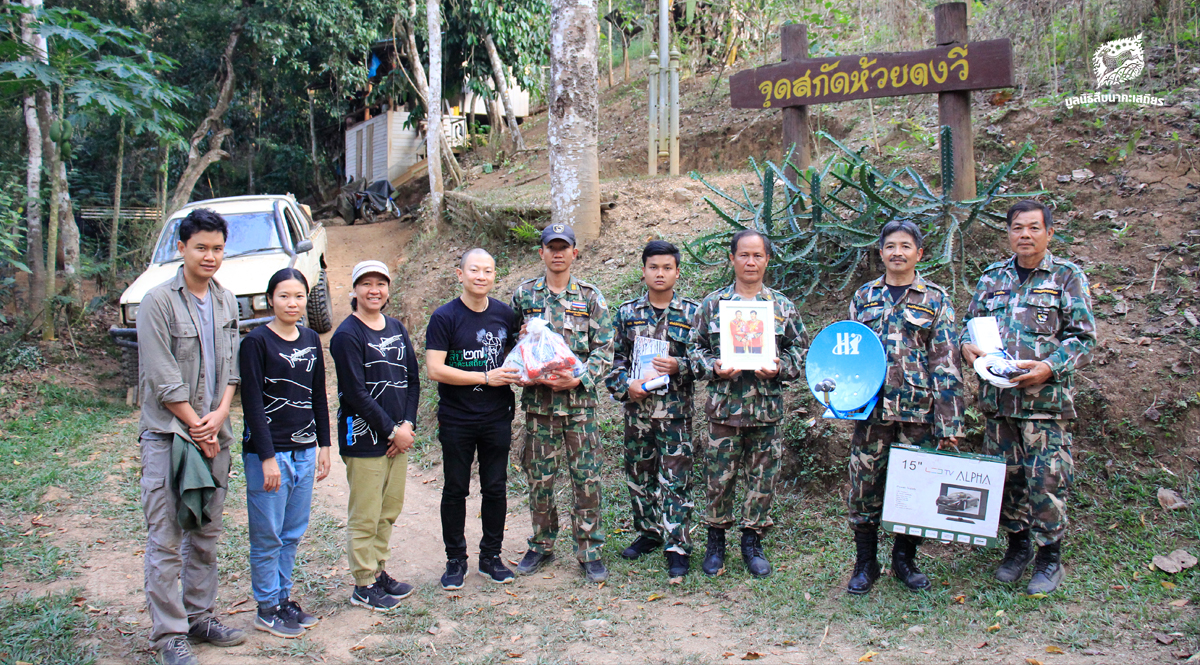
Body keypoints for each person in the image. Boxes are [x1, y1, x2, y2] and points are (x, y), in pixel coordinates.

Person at [960, 200, 1095, 595]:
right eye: (1018, 227)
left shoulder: (1066, 277)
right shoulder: (991, 279)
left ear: (1048, 233)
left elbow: (1082, 338)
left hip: (1044, 404)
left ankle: (1049, 558)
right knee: (1008, 480)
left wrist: (1048, 367)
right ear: (1009, 233)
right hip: (999, 404)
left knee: (1047, 480)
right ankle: (1016, 549)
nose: (1025, 235)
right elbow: (971, 329)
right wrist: (968, 348)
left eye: (1034, 228)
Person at [135, 208, 245, 665]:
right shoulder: (157, 302)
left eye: (217, 248)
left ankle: (200, 617)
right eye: (201, 247)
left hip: (215, 433)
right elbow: (162, 376)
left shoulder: (226, 301)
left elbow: (233, 368)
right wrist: (195, 424)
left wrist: (218, 416)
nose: (210, 256)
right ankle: (169, 636)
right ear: (181, 248)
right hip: (168, 436)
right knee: (166, 536)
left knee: (205, 532)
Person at [844, 220, 966, 594]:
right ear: (880, 252)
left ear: (919, 254)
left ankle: (904, 560)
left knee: (915, 488)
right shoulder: (864, 297)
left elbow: (945, 362)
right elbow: (848, 354)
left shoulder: (935, 299)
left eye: (906, 246)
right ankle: (866, 563)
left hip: (919, 411)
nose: (897, 252)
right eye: (890, 246)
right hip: (872, 409)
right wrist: (842, 401)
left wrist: (950, 425)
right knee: (864, 484)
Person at [689, 229, 808, 579]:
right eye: (744, 255)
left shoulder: (781, 307)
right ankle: (715, 542)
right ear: (732, 259)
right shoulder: (713, 305)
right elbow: (693, 350)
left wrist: (779, 369)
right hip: (724, 409)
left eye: (757, 255)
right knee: (718, 479)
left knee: (762, 478)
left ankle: (752, 542)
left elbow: (799, 352)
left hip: (765, 410)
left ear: (767, 260)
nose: (750, 262)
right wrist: (713, 367)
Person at [510, 223, 615, 583]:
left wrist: (581, 377)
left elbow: (606, 348)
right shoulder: (524, 296)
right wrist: (521, 345)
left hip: (580, 408)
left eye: (564, 247)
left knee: (586, 480)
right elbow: (512, 347)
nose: (557, 253)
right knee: (540, 480)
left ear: (574, 252)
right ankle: (541, 544)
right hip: (539, 408)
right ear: (541, 252)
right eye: (550, 247)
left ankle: (590, 551)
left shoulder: (589, 297)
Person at [239, 268, 332, 637]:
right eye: (284, 296)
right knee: (267, 535)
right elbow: (252, 403)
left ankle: (282, 598)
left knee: (292, 531)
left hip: (305, 451)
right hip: (270, 454)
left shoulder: (310, 338)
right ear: (270, 299)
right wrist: (265, 457)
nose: (292, 303)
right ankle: (266, 608)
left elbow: (318, 395)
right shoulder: (256, 342)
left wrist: (324, 445)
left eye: (298, 296)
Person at [425, 249, 522, 590]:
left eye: (488, 271)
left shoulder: (504, 315)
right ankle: (455, 560)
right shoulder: (444, 317)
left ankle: (491, 557)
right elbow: (435, 369)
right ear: (460, 274)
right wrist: (484, 378)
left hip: (497, 415)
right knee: (455, 488)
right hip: (457, 418)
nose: (481, 276)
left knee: (495, 487)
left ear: (495, 276)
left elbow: (516, 358)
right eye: (474, 270)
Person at [604, 241, 701, 579]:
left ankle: (677, 544)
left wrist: (680, 365)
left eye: (667, 267)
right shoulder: (627, 313)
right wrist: (623, 385)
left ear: (677, 271)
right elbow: (612, 359)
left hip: (675, 414)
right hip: (638, 412)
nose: (660, 273)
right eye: (653, 267)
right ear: (643, 270)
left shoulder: (692, 312)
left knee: (677, 479)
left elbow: (706, 359)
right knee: (639, 476)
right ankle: (649, 533)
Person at [329, 260, 420, 611]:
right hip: (364, 437)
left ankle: (379, 570)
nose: (374, 290)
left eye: (380, 284)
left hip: (399, 436)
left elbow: (412, 380)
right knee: (366, 512)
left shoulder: (396, 327)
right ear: (354, 290)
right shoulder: (347, 335)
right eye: (366, 284)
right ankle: (363, 582)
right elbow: (354, 393)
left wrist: (407, 426)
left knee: (388, 509)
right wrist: (392, 430)